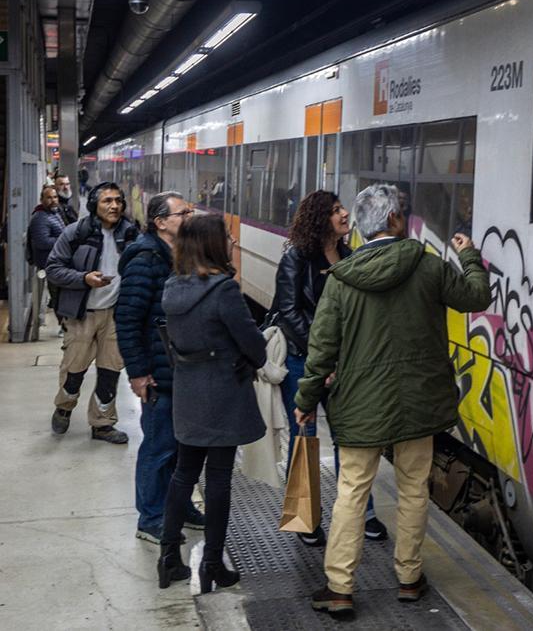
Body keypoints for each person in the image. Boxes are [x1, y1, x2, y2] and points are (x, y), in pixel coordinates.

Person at [298, 184, 490, 614]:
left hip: (361, 405)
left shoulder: (342, 279)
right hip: (418, 403)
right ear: (396, 221)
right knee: (413, 490)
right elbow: (477, 296)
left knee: (351, 492)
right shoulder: (430, 267)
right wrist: (471, 258)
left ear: (364, 229)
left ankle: (341, 587)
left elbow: (321, 349)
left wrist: (306, 398)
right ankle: (408, 577)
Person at [157, 213, 267, 592]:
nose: (232, 241)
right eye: (227, 237)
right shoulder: (223, 290)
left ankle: (168, 557)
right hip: (222, 392)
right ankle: (212, 566)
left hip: (188, 390)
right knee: (218, 478)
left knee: (183, 473)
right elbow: (254, 344)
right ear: (213, 244)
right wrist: (250, 354)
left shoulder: (173, 287)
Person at [270, 190, 385, 547]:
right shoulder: (296, 258)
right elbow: (289, 312)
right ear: (321, 218)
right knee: (303, 437)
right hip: (302, 359)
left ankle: (361, 511)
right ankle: (305, 517)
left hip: (342, 363)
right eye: (336, 210)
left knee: (348, 438)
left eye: (343, 208)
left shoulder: (349, 255)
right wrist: (322, 356)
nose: (345, 214)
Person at [115, 191, 207, 545]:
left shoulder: (177, 253)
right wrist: (137, 373)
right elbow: (127, 319)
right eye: (183, 213)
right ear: (161, 222)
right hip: (158, 373)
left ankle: (179, 507)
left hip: (179, 370)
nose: (190, 216)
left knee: (181, 448)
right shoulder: (146, 259)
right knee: (158, 447)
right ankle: (150, 517)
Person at [46, 182, 140, 444]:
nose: (114, 206)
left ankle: (102, 424)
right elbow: (53, 267)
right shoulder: (75, 233)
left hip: (115, 315)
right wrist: (83, 278)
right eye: (107, 201)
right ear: (94, 205)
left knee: (110, 371)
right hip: (82, 313)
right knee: (74, 370)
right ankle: (65, 406)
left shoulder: (131, 233)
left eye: (118, 201)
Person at [29, 185, 66, 270]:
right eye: (49, 198)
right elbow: (43, 242)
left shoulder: (54, 213)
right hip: (49, 265)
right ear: (41, 200)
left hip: (59, 262)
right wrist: (65, 240)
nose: (53, 200)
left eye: (55, 197)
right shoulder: (40, 217)